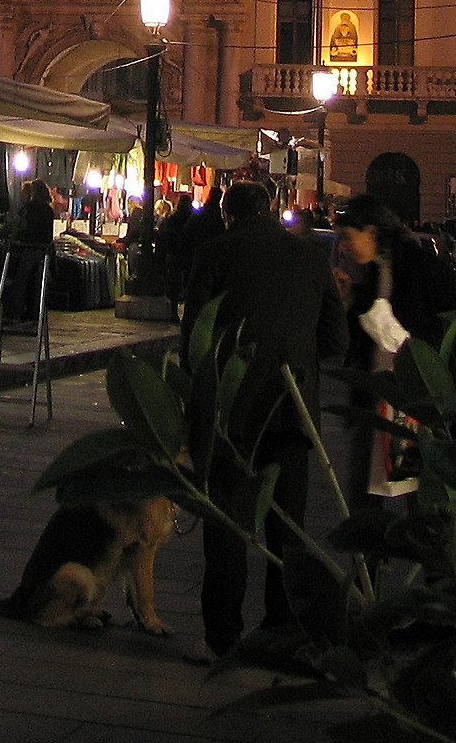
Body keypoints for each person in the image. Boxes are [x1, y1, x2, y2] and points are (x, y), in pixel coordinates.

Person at [179, 180, 347, 659]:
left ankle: (223, 636)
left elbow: (194, 341)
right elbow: (336, 340)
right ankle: (282, 630)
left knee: (226, 524)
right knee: (288, 528)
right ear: (272, 209)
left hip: (229, 409)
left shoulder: (213, 254)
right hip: (290, 408)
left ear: (227, 215)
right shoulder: (311, 256)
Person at [333, 194, 456, 509]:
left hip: (414, 401)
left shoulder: (421, 268)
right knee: (365, 489)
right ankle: (370, 540)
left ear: (371, 231)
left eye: (349, 237)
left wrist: (413, 349)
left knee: (416, 490)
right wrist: (348, 299)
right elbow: (363, 333)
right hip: (377, 396)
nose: (345, 247)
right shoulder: (375, 272)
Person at [8, 179, 55, 323]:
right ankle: (36, 314)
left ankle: (16, 313)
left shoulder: (30, 207)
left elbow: (21, 226)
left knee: (21, 281)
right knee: (37, 283)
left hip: (29, 247)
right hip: (43, 250)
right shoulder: (48, 210)